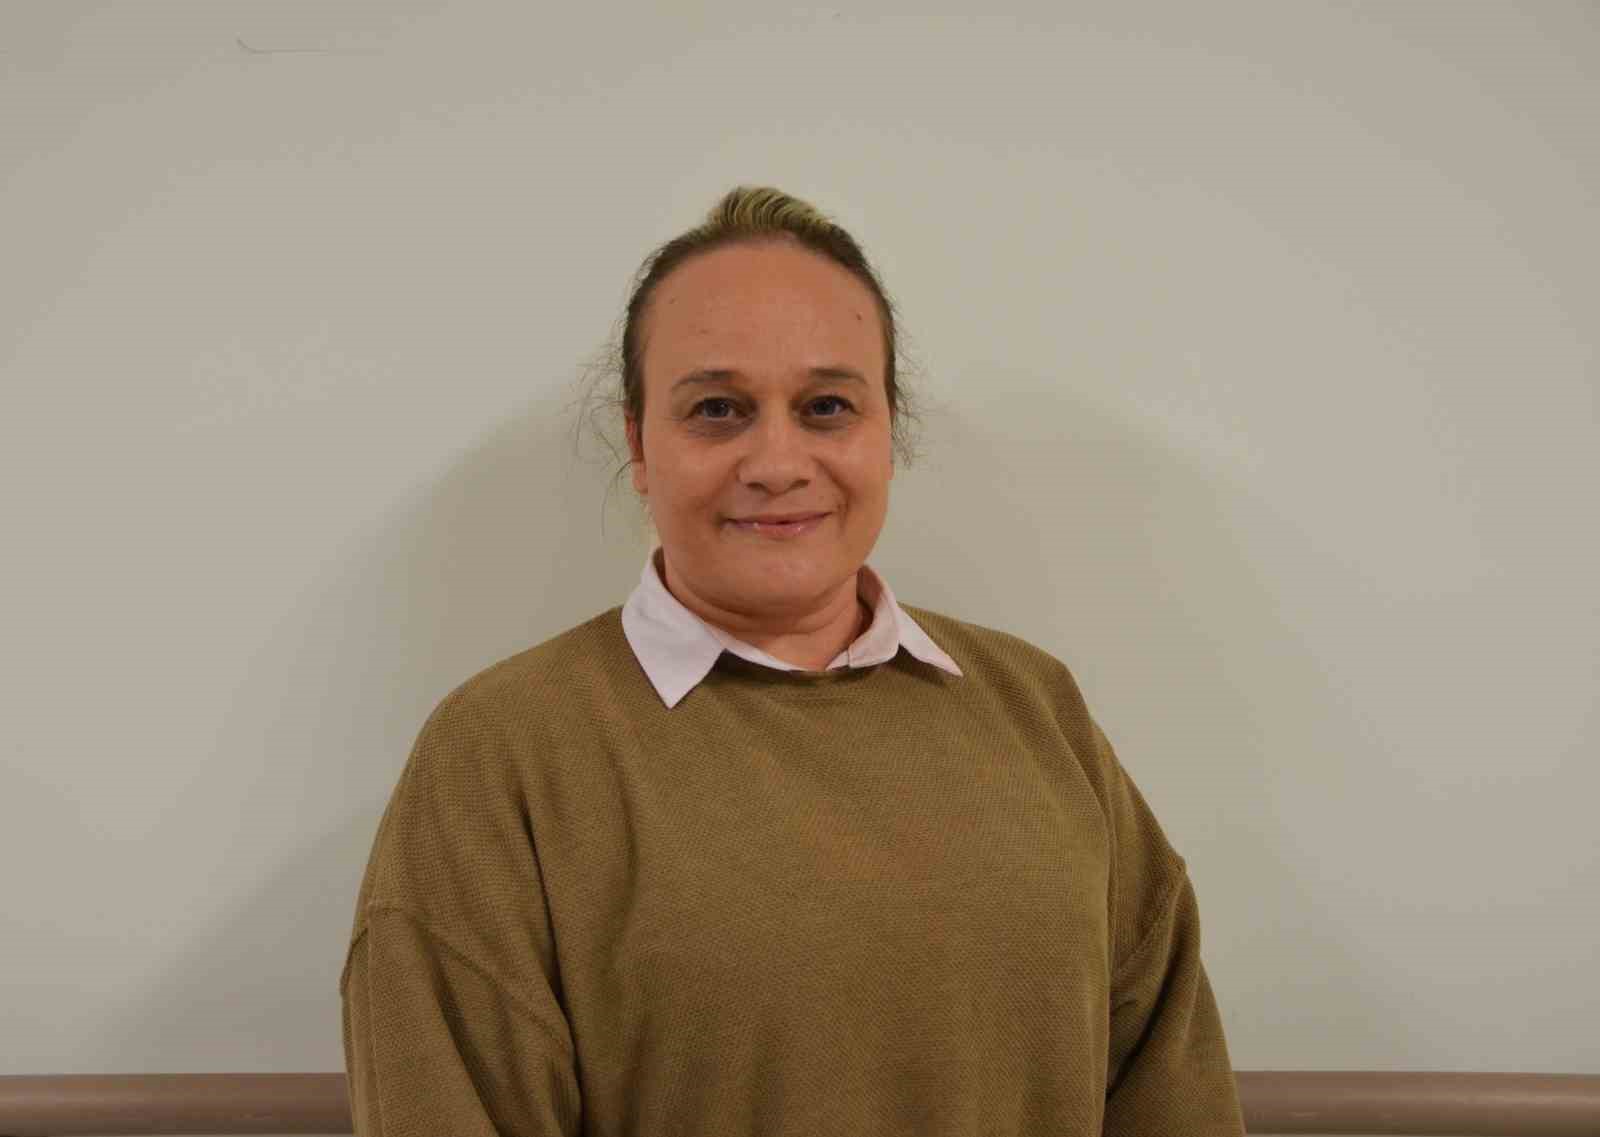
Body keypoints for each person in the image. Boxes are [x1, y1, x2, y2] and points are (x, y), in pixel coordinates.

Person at [339, 186, 1247, 1136]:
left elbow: (1171, 1088)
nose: (777, 461)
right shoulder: (502, 758)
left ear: (887, 432)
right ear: (640, 444)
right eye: (717, 409)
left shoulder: (1037, 707)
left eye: (826, 407)